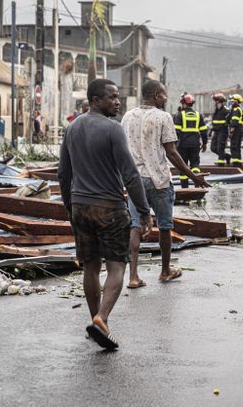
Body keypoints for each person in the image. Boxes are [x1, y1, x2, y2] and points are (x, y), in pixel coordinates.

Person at [58, 79, 151, 350]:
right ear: (95, 100)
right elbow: (130, 174)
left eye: (118, 96)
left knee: (90, 266)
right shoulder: (113, 129)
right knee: (116, 266)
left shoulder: (72, 128)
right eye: (112, 97)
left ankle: (96, 322)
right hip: (109, 207)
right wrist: (144, 211)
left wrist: (69, 206)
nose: (118, 101)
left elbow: (63, 173)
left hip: (80, 207)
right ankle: (101, 318)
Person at [122, 80, 209, 289]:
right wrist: (193, 176)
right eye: (164, 94)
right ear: (156, 95)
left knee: (135, 225)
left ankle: (133, 277)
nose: (166, 98)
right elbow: (171, 152)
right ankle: (165, 270)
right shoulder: (163, 117)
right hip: (159, 180)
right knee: (164, 226)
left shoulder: (127, 117)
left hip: (135, 181)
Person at [173, 94, 208, 189]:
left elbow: (176, 132)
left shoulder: (179, 115)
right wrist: (205, 143)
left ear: (184, 104)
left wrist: (174, 146)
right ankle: (197, 186)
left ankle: (185, 188)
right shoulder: (198, 115)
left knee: (183, 166)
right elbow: (204, 131)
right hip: (195, 145)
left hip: (183, 145)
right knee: (195, 165)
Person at [209, 93, 231, 166]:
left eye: (215, 101)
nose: (214, 103)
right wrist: (211, 130)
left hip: (223, 132)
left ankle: (221, 164)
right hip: (216, 131)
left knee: (220, 148)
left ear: (218, 101)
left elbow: (228, 122)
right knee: (213, 148)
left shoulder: (226, 111)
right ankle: (227, 156)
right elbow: (214, 122)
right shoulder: (216, 111)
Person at [228, 94, 243, 167]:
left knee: (234, 147)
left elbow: (234, 122)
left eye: (233, 101)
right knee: (237, 147)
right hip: (239, 129)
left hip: (236, 130)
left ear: (237, 101)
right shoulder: (239, 109)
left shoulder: (236, 110)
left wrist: (231, 132)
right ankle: (238, 163)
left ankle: (235, 164)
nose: (232, 103)